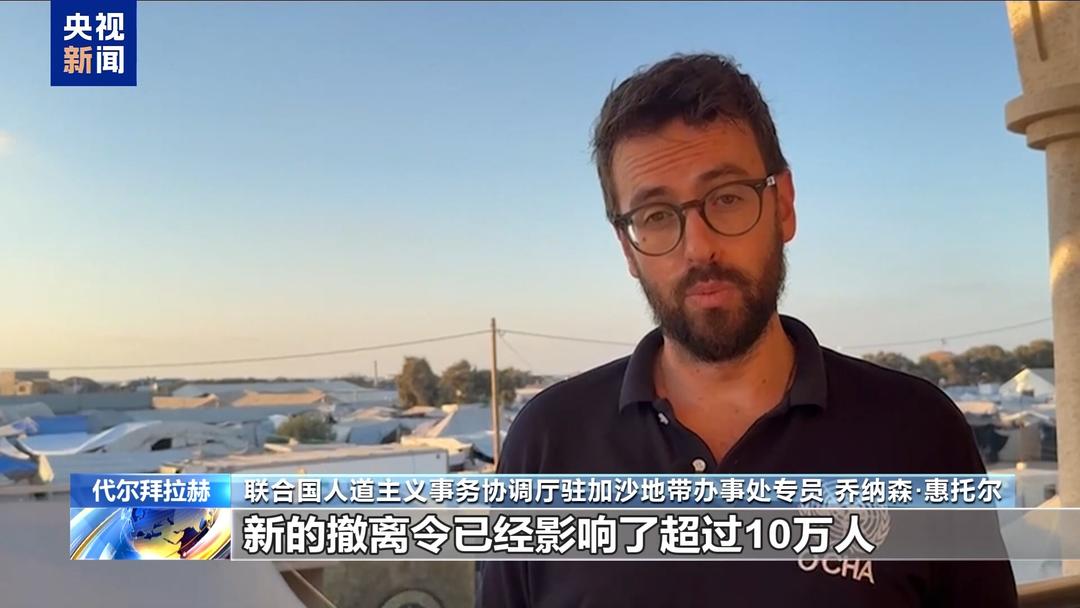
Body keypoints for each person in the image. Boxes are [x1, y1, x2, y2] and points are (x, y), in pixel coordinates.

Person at [477, 53, 1018, 607]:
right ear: (628, 248)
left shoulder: (919, 435)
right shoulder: (547, 444)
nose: (699, 247)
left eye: (727, 198)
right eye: (656, 215)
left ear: (783, 206)